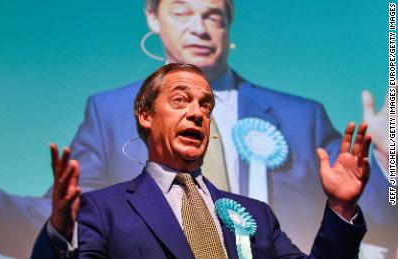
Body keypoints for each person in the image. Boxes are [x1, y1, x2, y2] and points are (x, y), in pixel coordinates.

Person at [0, 0, 393, 258]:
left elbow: (387, 225)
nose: (199, 26)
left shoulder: (296, 130)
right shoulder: (103, 203)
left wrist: (368, 183)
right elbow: (58, 225)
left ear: (229, 24)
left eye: (213, 14)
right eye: (182, 10)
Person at [32, 63, 371, 259]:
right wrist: (60, 230)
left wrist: (341, 207)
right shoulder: (102, 209)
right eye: (181, 100)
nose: (197, 113)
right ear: (145, 115)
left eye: (206, 106)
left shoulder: (255, 216)